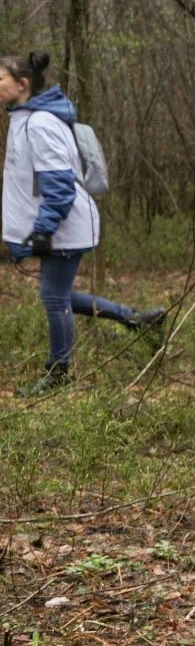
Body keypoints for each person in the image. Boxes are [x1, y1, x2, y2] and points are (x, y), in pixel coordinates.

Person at [1, 51, 164, 395]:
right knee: (59, 296)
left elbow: (59, 185)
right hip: (57, 226)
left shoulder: (41, 123)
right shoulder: (24, 119)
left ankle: (58, 374)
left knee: (54, 299)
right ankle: (137, 320)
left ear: (22, 84)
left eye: (0, 79)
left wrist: (43, 229)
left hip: (64, 226)